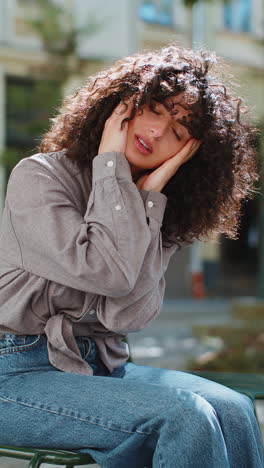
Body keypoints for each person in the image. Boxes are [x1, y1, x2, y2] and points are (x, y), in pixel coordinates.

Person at [0, 44, 263, 468]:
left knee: (232, 408)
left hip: (95, 368)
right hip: (12, 372)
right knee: (185, 418)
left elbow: (126, 316)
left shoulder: (155, 206)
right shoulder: (40, 177)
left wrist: (147, 199)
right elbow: (105, 274)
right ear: (122, 106)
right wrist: (110, 166)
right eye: (155, 110)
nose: (159, 132)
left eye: (179, 133)